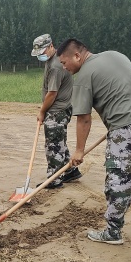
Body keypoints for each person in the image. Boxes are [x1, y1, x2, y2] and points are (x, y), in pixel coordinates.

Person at [56, 38, 131, 245]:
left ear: (77, 56)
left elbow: (83, 118)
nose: (65, 69)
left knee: (120, 180)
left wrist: (79, 151)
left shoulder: (83, 76)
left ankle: (113, 232)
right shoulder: (115, 54)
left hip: (126, 128)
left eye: (64, 63)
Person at [30, 34, 82, 189]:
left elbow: (52, 93)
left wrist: (42, 111)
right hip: (61, 108)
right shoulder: (55, 60)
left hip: (57, 110)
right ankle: (70, 171)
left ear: (51, 46)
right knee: (59, 142)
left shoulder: (56, 66)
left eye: (43, 51)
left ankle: (54, 178)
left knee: (53, 145)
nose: (41, 55)